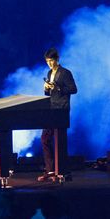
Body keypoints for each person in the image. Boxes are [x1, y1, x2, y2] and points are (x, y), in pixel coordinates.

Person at [37, 47, 77, 182]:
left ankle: (63, 172)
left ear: (57, 59)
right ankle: (50, 170)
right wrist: (46, 89)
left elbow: (73, 89)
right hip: (51, 109)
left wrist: (58, 88)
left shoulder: (65, 73)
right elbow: (49, 94)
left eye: (51, 61)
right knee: (45, 139)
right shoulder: (49, 73)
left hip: (61, 110)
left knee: (60, 142)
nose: (49, 64)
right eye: (47, 61)